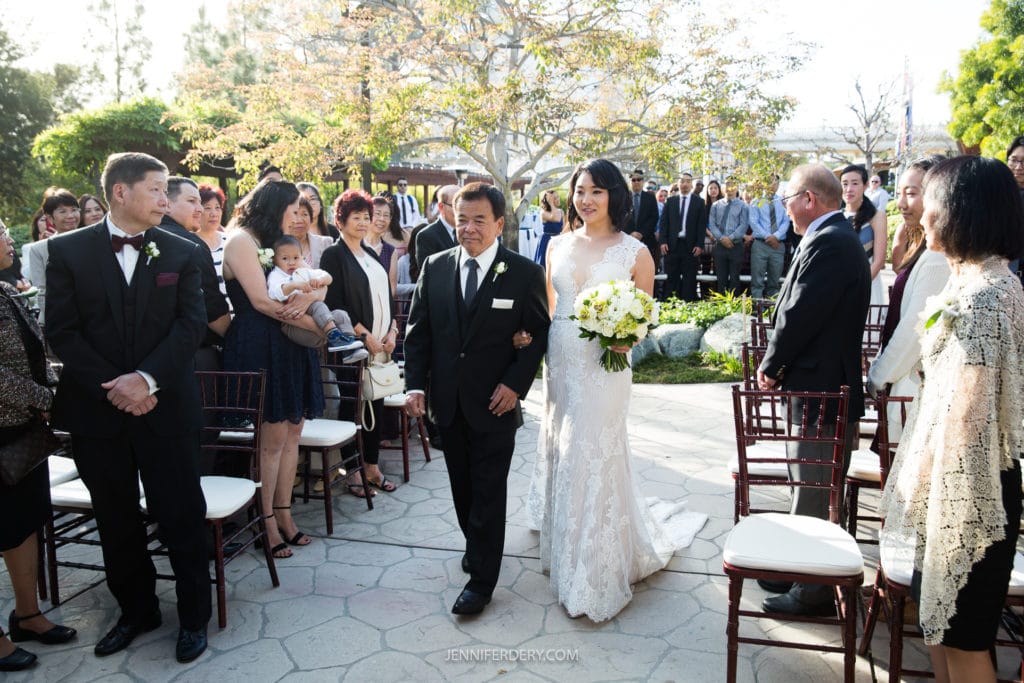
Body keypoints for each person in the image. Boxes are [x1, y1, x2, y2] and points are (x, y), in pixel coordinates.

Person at [44, 153, 211, 663]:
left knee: (180, 512)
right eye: (157, 189)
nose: (168, 199)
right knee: (115, 517)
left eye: (167, 190)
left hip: (167, 406)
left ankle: (193, 617)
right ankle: (136, 610)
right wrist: (115, 387)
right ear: (121, 192)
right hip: (98, 410)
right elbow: (62, 333)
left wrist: (145, 380)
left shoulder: (183, 252)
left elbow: (190, 327)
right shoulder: (66, 251)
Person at [524, 159, 706, 621]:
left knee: (594, 449)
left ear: (614, 196)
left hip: (607, 365)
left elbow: (645, 315)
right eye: (580, 191)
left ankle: (595, 568)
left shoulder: (634, 253)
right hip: (562, 361)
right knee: (564, 447)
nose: (586, 200)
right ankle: (565, 547)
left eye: (597, 192)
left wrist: (626, 335)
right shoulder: (557, 245)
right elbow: (551, 305)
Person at [880, 156, 1024, 683]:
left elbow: (969, 414)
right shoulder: (977, 283)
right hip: (948, 484)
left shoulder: (987, 296)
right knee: (941, 635)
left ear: (964, 209)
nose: (924, 213)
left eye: (932, 201)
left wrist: (928, 485)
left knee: (964, 646)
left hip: (968, 492)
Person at [402, 181, 548, 615]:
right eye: (461, 219)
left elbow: (539, 332)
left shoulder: (523, 272)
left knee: (488, 491)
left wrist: (515, 384)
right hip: (447, 403)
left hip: (495, 403)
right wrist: (415, 385)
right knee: (462, 489)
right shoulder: (435, 265)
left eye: (479, 220)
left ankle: (482, 582)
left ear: (499, 224)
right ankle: (476, 543)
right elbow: (419, 333)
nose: (468, 228)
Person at [755, 163, 871, 617]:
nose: (785, 208)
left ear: (808, 200)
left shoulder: (833, 242)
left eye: (787, 199)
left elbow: (800, 313)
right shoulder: (829, 237)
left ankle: (814, 589)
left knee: (816, 487)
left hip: (824, 389)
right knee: (805, 479)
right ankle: (797, 565)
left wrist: (771, 363)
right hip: (816, 383)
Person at [221, 179, 325, 559]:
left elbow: (312, 281)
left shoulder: (276, 241)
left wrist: (312, 298)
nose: (297, 216)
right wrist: (317, 326)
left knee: (294, 428)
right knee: (272, 437)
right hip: (260, 341)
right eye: (292, 209)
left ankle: (285, 511)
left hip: (289, 342)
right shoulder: (241, 241)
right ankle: (264, 518)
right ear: (274, 205)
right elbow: (262, 302)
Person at [0, 221, 77, 673]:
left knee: (24, 523)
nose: (10, 239)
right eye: (1, 233)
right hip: (8, 424)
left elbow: (32, 351)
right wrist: (47, 399)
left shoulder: (7, 289)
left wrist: (56, 383)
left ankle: (27, 614)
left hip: (21, 433)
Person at [321, 189, 399, 497]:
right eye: (357, 217)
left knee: (375, 401)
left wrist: (391, 331)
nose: (364, 223)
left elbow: (387, 298)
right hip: (354, 346)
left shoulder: (370, 254)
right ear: (340, 221)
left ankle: (372, 466)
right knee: (353, 406)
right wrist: (364, 335)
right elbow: (334, 302)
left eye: (367, 217)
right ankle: (352, 471)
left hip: (381, 346)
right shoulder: (334, 255)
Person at [866, 157, 949, 443]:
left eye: (911, 193)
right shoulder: (925, 248)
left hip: (914, 393)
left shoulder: (939, 258)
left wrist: (878, 374)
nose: (901, 203)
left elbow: (915, 328)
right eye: (899, 193)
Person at [266, 234, 365, 356]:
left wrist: (321, 280)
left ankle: (350, 347)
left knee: (341, 314)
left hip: (318, 322)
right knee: (318, 305)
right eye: (285, 259)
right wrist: (294, 285)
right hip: (294, 325)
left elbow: (328, 276)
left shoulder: (304, 271)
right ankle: (335, 335)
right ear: (275, 260)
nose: (291, 262)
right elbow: (274, 292)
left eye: (296, 258)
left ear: (302, 258)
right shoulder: (276, 275)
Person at [29, 189, 81, 324]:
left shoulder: (95, 242)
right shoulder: (39, 249)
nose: (70, 216)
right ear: (50, 217)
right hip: (60, 319)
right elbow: (41, 289)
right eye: (62, 211)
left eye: (74, 210)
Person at [841, 164, 889, 305]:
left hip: (867, 285)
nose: (849, 189)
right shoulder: (837, 216)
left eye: (855, 183)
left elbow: (878, 261)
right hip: (839, 286)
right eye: (845, 184)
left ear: (865, 185)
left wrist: (857, 287)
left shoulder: (877, 216)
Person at [658, 171, 705, 301]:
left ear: (691, 185)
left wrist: (699, 245)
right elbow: (664, 223)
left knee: (689, 280)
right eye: (682, 181)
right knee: (672, 278)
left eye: (688, 181)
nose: (685, 184)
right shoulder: (671, 201)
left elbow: (701, 226)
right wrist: (663, 241)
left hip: (690, 247)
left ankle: (687, 308)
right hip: (672, 246)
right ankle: (671, 307)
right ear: (678, 184)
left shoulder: (699, 202)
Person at [747, 174, 790, 299]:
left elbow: (786, 221)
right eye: (770, 182)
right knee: (757, 281)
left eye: (775, 182)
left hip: (777, 246)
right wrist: (768, 237)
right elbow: (754, 222)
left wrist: (775, 236)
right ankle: (757, 311)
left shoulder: (782, 202)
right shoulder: (756, 201)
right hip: (761, 245)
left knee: (774, 282)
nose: (773, 185)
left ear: (778, 185)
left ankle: (772, 311)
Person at [707, 177, 749, 294]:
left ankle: (734, 307)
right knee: (721, 279)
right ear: (724, 188)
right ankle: (722, 307)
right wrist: (721, 238)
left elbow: (743, 225)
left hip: (735, 246)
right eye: (727, 185)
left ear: (737, 188)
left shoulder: (743, 206)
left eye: (732, 185)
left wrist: (730, 238)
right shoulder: (716, 205)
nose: (729, 189)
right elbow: (712, 224)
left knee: (735, 279)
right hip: (720, 246)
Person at [414, 184, 458, 269]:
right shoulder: (426, 236)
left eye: (462, 205)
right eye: (455, 205)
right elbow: (429, 273)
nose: (460, 210)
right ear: (441, 206)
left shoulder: (468, 232)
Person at [286, 195, 334, 268]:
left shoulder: (325, 243)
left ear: (311, 218)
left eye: (304, 214)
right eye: (295, 214)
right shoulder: (277, 246)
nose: (299, 220)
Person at [197, 184, 228, 296]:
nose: (214, 214)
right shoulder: (189, 244)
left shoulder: (230, 241)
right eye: (207, 208)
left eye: (217, 207)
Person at [627, 168, 661, 269]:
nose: (636, 182)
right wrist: (630, 233)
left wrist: (641, 233)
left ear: (643, 181)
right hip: (628, 239)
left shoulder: (650, 198)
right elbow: (620, 216)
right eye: (633, 180)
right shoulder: (624, 197)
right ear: (630, 182)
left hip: (646, 239)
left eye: (639, 179)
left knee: (645, 269)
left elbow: (654, 217)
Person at [534, 189, 564, 268]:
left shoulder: (561, 211)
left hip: (558, 240)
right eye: (554, 198)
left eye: (558, 197)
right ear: (549, 201)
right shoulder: (543, 213)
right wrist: (551, 204)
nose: (558, 199)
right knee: (546, 265)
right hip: (547, 241)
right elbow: (555, 218)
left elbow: (563, 228)